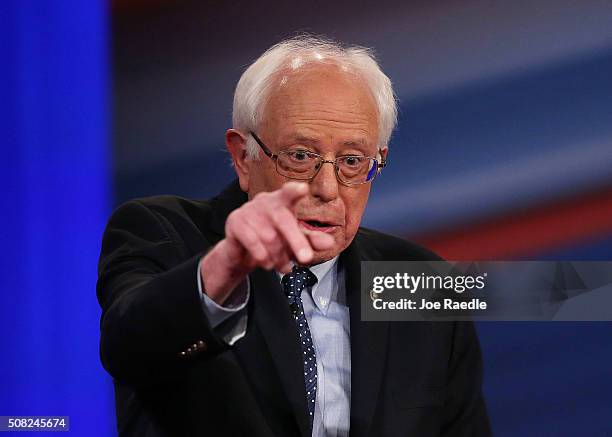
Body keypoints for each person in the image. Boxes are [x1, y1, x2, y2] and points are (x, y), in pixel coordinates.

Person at [97, 35, 490, 437]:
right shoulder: (163, 233)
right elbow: (127, 348)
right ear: (243, 156)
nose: (327, 188)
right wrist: (225, 267)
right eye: (300, 156)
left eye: (352, 162)